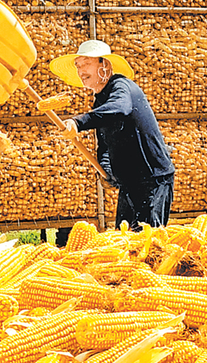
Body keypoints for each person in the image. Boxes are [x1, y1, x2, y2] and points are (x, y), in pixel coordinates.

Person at [49, 40, 174, 228]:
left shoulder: (121, 86)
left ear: (104, 65)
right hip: (129, 184)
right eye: (78, 65)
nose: (81, 71)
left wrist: (78, 122)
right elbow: (105, 146)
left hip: (152, 180)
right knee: (123, 242)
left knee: (148, 246)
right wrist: (108, 171)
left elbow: (119, 108)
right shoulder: (100, 102)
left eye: (86, 63)